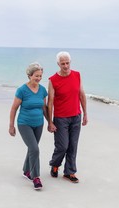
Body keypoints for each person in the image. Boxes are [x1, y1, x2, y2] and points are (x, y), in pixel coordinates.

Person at [47, 51, 88, 183]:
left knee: (73, 146)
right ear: (58, 64)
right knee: (63, 146)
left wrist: (85, 113)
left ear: (70, 62)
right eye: (62, 63)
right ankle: (55, 164)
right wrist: (50, 122)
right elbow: (50, 102)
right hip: (60, 118)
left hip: (76, 116)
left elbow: (81, 94)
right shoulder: (53, 80)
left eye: (67, 63)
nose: (65, 66)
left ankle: (69, 172)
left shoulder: (77, 75)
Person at [9, 62, 48, 190]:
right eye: (36, 76)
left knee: (33, 148)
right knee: (35, 149)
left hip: (39, 124)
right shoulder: (22, 90)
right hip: (24, 123)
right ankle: (35, 177)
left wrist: (50, 122)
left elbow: (44, 108)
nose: (38, 78)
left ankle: (26, 170)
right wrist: (11, 125)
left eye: (40, 76)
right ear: (30, 75)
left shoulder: (42, 90)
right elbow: (14, 108)